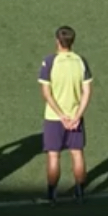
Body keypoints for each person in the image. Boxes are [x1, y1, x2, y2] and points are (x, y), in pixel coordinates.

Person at [38, 26, 93, 204]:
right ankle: (79, 193)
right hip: (75, 117)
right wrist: (77, 115)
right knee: (77, 153)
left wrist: (61, 115)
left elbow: (46, 93)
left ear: (57, 41)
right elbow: (87, 92)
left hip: (54, 118)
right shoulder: (81, 61)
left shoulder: (50, 61)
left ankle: (52, 195)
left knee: (54, 155)